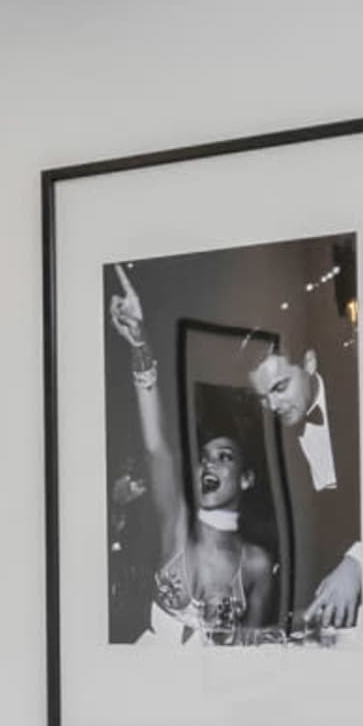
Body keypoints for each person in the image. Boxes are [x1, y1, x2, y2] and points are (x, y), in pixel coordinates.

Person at [111, 269, 279, 641]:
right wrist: (140, 346)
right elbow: (155, 444)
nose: (209, 463)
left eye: (225, 457)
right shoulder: (177, 523)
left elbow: (254, 669)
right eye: (205, 455)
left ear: (248, 478)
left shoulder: (256, 565)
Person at [245, 338, 363, 633]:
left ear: (309, 364)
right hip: (325, 616)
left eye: (279, 387)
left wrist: (358, 561)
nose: (272, 405)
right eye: (262, 397)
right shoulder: (269, 442)